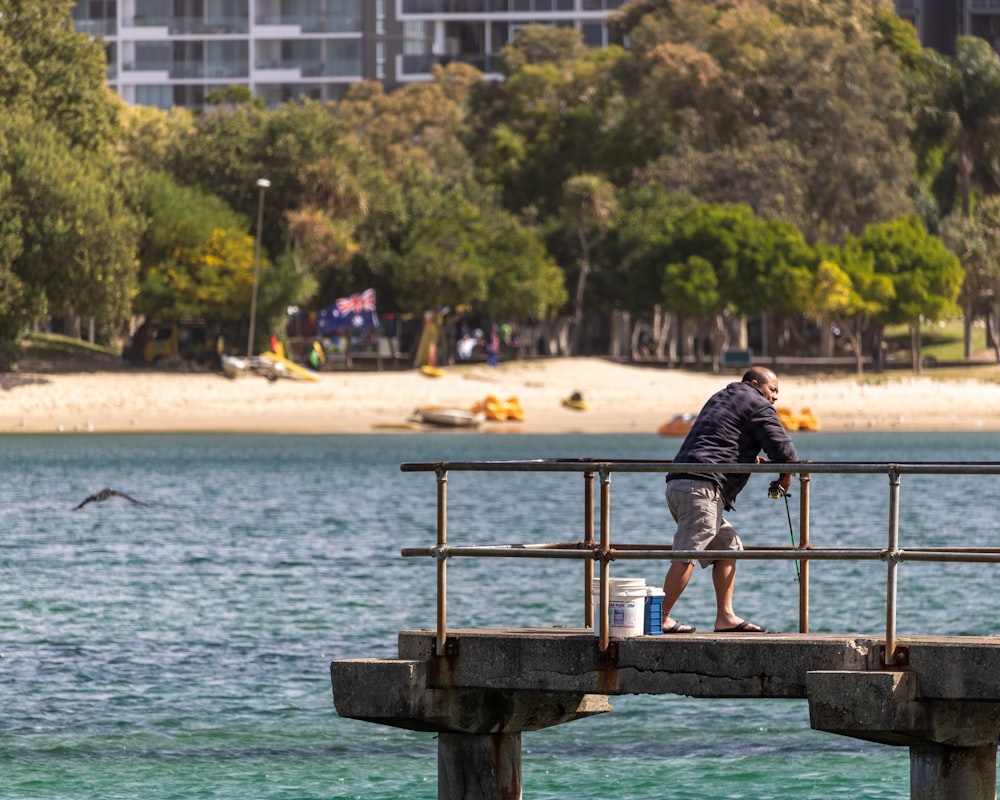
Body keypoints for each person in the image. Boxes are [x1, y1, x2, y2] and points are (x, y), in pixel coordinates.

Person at [661, 366, 799, 634]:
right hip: (701, 486)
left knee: (729, 546)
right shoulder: (757, 403)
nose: (775, 397)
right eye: (773, 390)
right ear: (756, 384)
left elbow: (719, 440)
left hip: (680, 482)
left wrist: (746, 456)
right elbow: (785, 451)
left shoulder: (721, 397)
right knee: (687, 553)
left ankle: (725, 617)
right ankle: (659, 617)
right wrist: (785, 479)